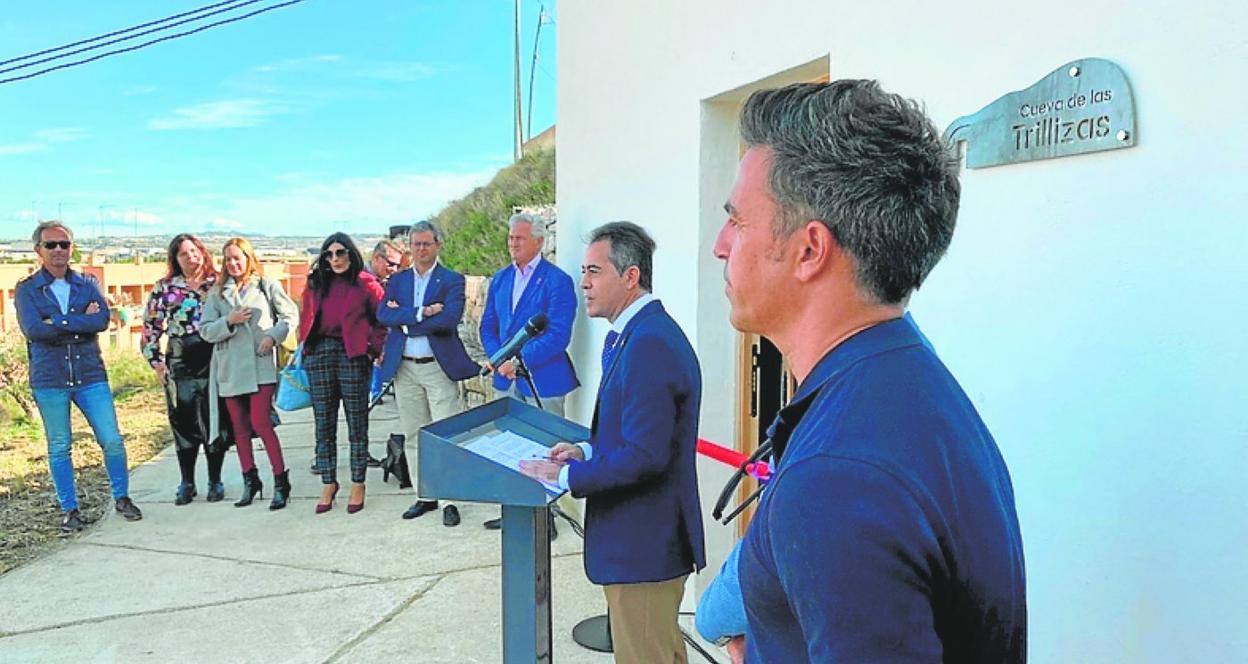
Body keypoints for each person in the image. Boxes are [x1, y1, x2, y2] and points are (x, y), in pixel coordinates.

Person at [710, 80, 1026, 662]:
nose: (720, 245)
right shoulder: (904, 378)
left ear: (810, 251)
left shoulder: (840, 475)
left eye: (738, 220)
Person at [521, 222, 704, 664]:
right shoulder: (639, 333)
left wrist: (567, 474)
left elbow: (645, 456)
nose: (583, 282)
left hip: (644, 545)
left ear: (630, 276)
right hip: (644, 542)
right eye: (584, 271)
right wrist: (585, 450)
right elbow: (638, 434)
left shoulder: (649, 343)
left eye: (594, 271)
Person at [14, 220, 142, 532]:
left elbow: (100, 321)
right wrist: (75, 321)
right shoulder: (26, 289)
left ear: (72, 248)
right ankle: (70, 510)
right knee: (60, 446)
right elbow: (33, 330)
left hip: (90, 374)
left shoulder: (87, 283)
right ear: (38, 250)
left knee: (111, 440)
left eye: (64, 244)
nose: (59, 250)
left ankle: (122, 497)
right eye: (51, 245)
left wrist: (56, 321)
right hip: (50, 379)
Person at [479, 212, 579, 531]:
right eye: (510, 238)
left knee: (547, 447)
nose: (513, 244)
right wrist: (499, 358)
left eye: (519, 238)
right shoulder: (500, 279)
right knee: (508, 445)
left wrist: (519, 361)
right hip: (505, 377)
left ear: (539, 241)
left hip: (543, 379)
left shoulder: (557, 281)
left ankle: (545, 516)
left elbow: (558, 334)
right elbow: (488, 324)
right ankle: (514, 513)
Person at [375, 221, 479, 526]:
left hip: (437, 368)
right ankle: (426, 495)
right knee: (413, 434)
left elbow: (448, 320)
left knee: (445, 435)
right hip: (404, 368)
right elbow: (384, 315)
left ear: (438, 246)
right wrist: (420, 313)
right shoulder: (399, 281)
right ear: (410, 246)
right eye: (416, 244)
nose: (421, 249)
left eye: (427, 244)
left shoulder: (451, 280)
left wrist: (403, 319)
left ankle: (450, 499)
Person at [200, 237, 298, 510]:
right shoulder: (217, 293)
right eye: (228, 258)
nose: (233, 263)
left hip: (260, 366)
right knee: (239, 428)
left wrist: (274, 337)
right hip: (230, 368)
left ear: (248, 258)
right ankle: (250, 480)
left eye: (237, 257)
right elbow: (205, 330)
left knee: (261, 422)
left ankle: (281, 480)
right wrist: (228, 322)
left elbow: (290, 315)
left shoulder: (266, 286)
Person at [299, 232, 385, 514]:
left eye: (341, 253)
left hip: (352, 355)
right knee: (323, 423)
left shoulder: (365, 284)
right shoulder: (315, 284)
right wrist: (306, 347)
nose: (335, 259)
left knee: (356, 422)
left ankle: (358, 481)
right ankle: (328, 481)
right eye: (330, 254)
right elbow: (306, 318)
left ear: (351, 254)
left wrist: (373, 348)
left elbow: (382, 320)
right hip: (320, 354)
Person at [141, 233, 226, 505]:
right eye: (183, 253)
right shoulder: (165, 287)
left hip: (215, 359)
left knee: (214, 420)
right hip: (180, 362)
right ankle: (187, 482)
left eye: (194, 251)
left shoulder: (219, 283)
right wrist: (156, 363)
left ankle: (215, 480)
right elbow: (150, 328)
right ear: (175, 259)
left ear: (202, 252)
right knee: (183, 421)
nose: (191, 257)